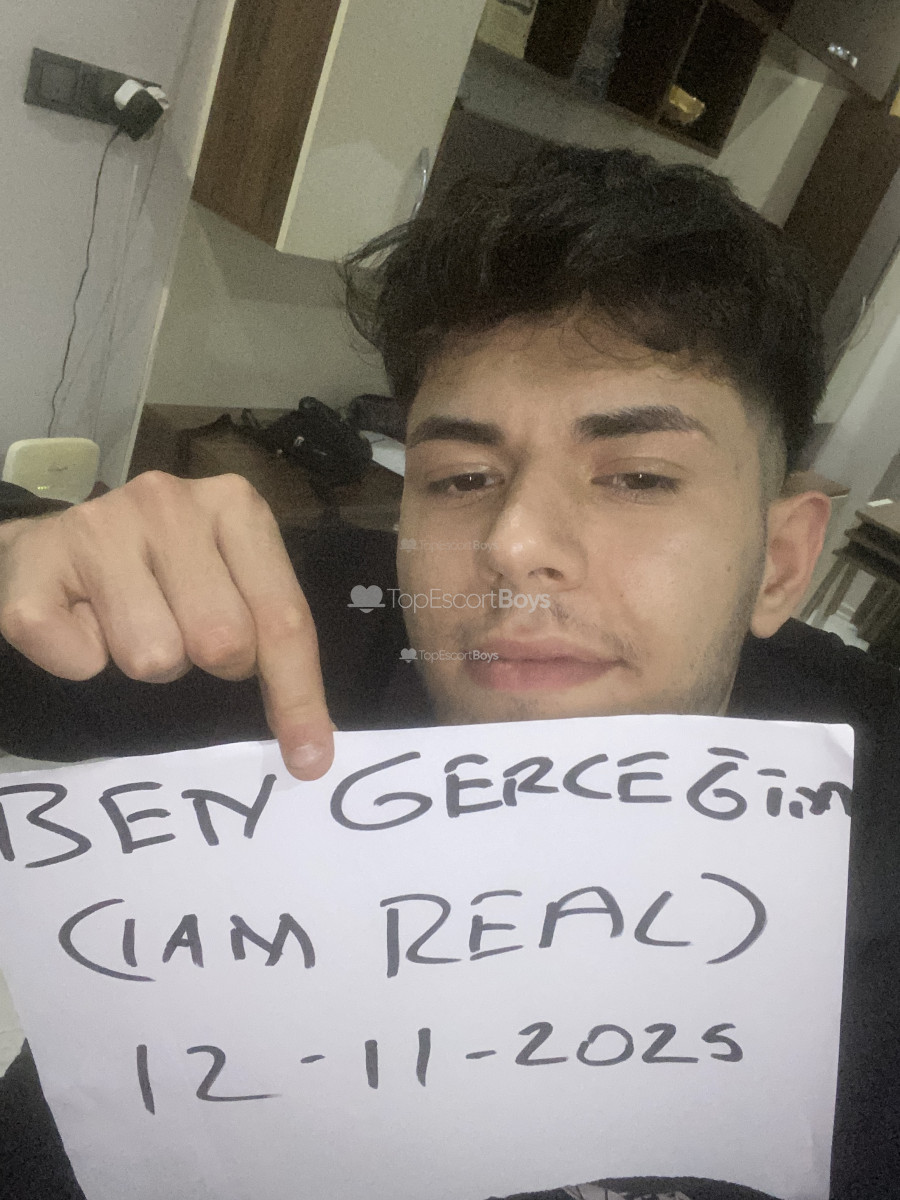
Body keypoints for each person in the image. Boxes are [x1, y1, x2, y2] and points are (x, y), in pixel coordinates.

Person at [0, 147, 897, 1200]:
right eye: (462, 478)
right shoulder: (295, 637)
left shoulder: (871, 812)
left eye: (639, 478)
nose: (514, 543)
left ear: (780, 562)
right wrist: (24, 554)